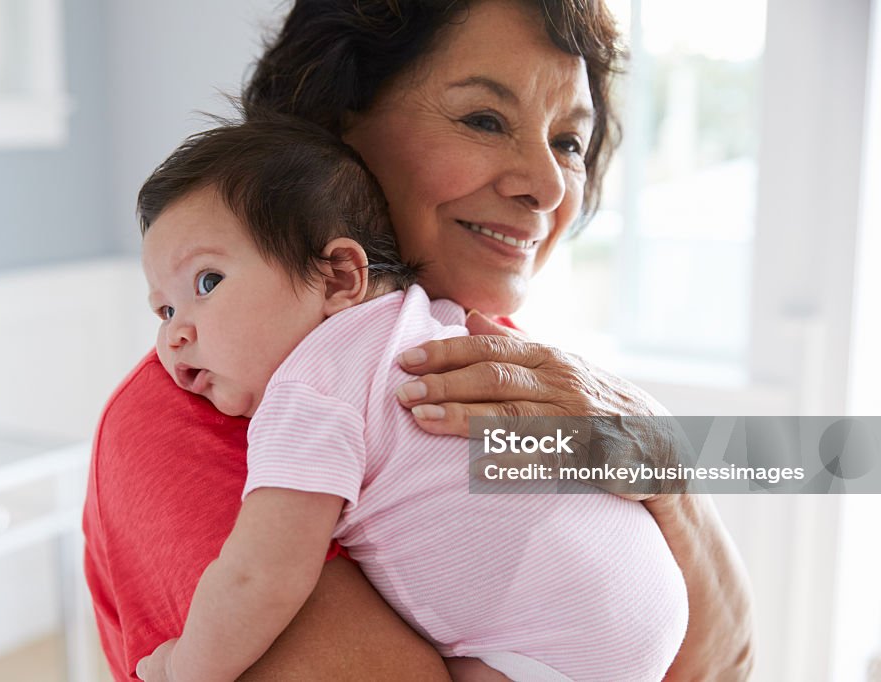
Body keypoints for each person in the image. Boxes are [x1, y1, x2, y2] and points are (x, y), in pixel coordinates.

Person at [83, 0, 755, 679]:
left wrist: (663, 458)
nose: (549, 186)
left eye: (569, 143)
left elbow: (726, 665)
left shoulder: (482, 351)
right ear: (336, 125)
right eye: (486, 120)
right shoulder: (193, 416)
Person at [130, 117, 687, 682]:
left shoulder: (307, 392)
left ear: (338, 277)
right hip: (651, 593)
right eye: (164, 309)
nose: (174, 334)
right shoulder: (431, 319)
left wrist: (185, 665)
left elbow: (260, 576)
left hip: (544, 641)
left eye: (206, 283)